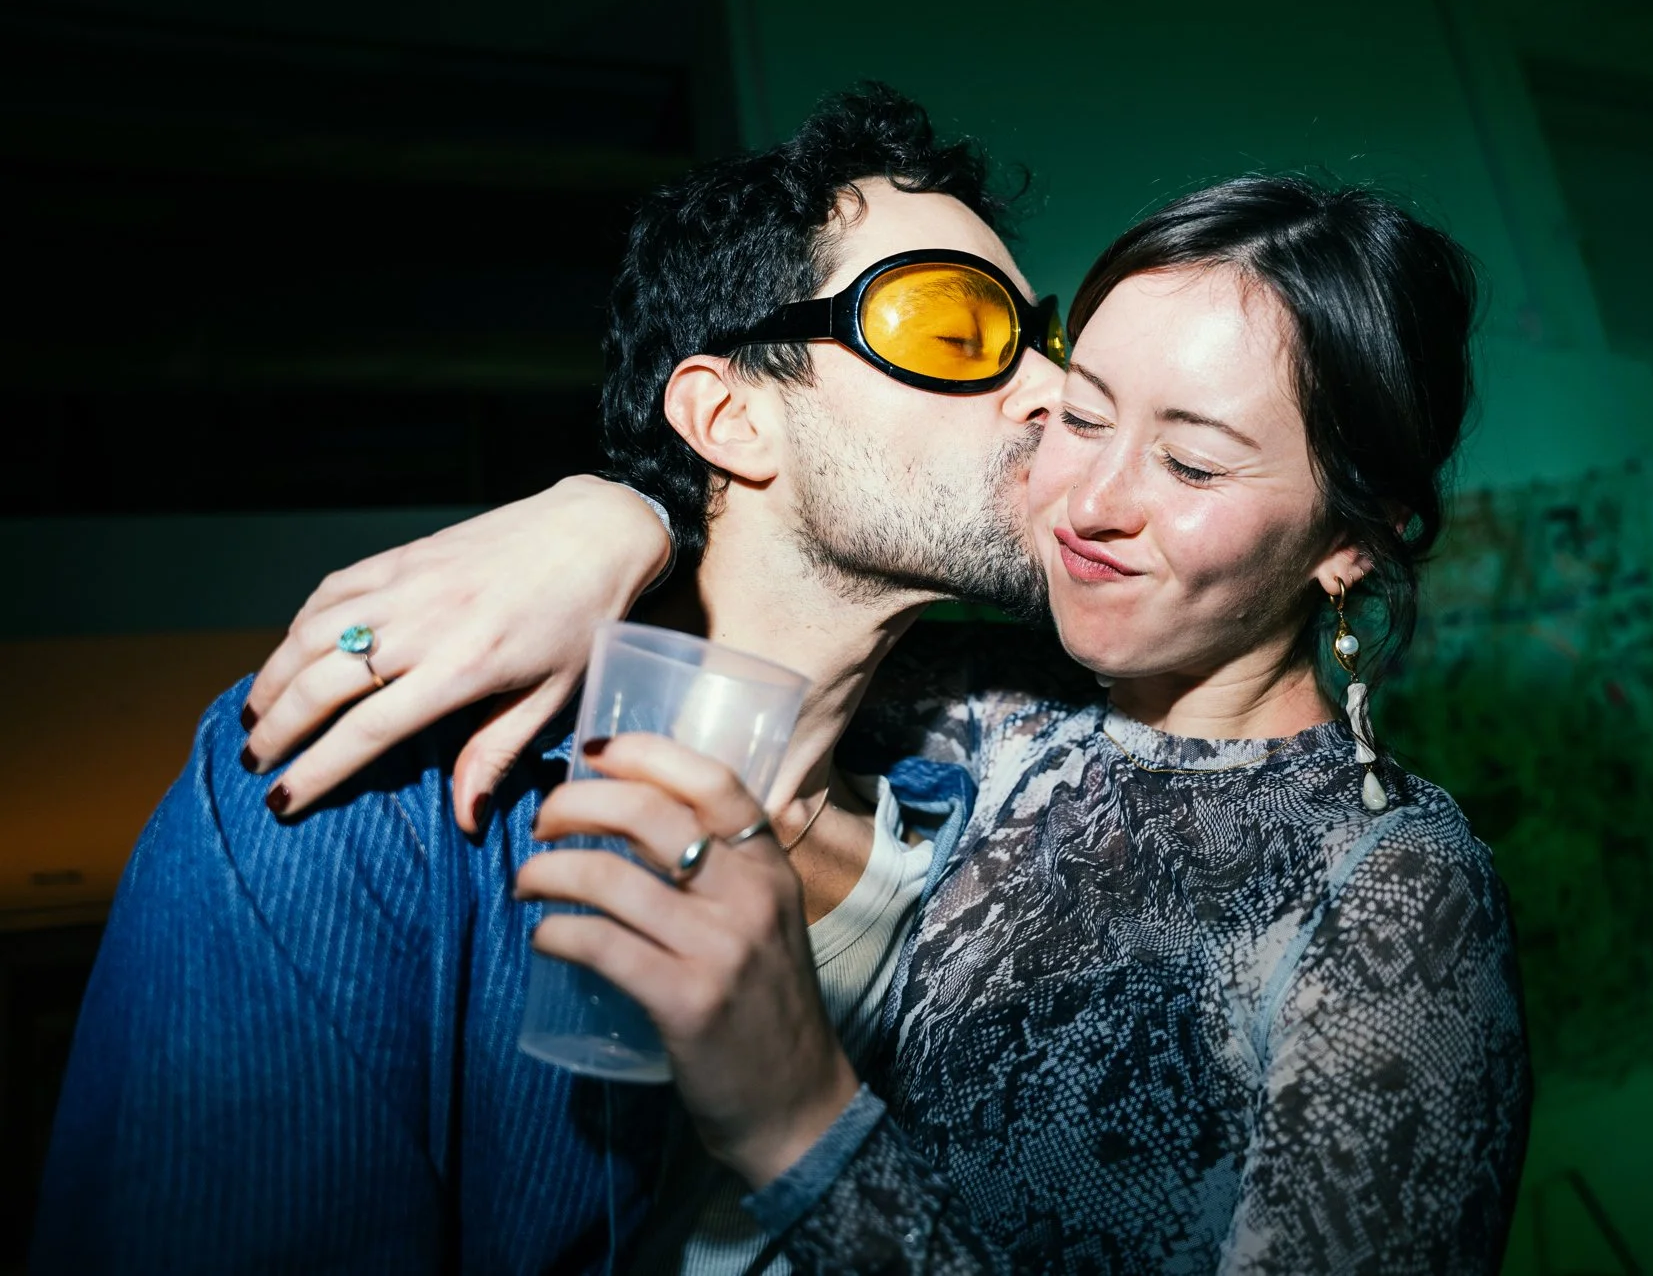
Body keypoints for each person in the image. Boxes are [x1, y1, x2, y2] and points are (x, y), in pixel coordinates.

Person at [233, 178, 1532, 1268]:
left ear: (1352, 542)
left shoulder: (1396, 888)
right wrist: (610, 517)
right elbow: (788, 569)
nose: (1086, 496)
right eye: (1083, 412)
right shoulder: (992, 691)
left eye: (1191, 464)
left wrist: (803, 1124)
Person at [34, 83, 1070, 1274]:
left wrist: (616, 513)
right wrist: (618, 506)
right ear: (727, 418)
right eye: (955, 330)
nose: (1048, 387)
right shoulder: (375, 799)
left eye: (1037, 337)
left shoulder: (1000, 815)